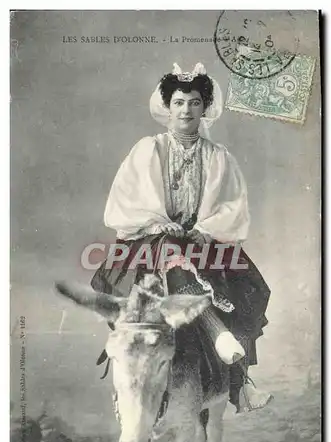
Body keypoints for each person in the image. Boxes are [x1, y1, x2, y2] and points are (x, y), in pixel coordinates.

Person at [91, 62, 272, 412]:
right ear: (167, 107)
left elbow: (234, 208)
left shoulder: (219, 158)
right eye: (178, 102)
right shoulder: (148, 150)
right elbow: (124, 202)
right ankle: (215, 337)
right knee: (156, 274)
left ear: (205, 108)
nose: (186, 110)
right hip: (151, 243)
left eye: (193, 102)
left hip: (204, 245)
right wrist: (158, 223)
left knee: (248, 288)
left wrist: (205, 229)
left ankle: (240, 382)